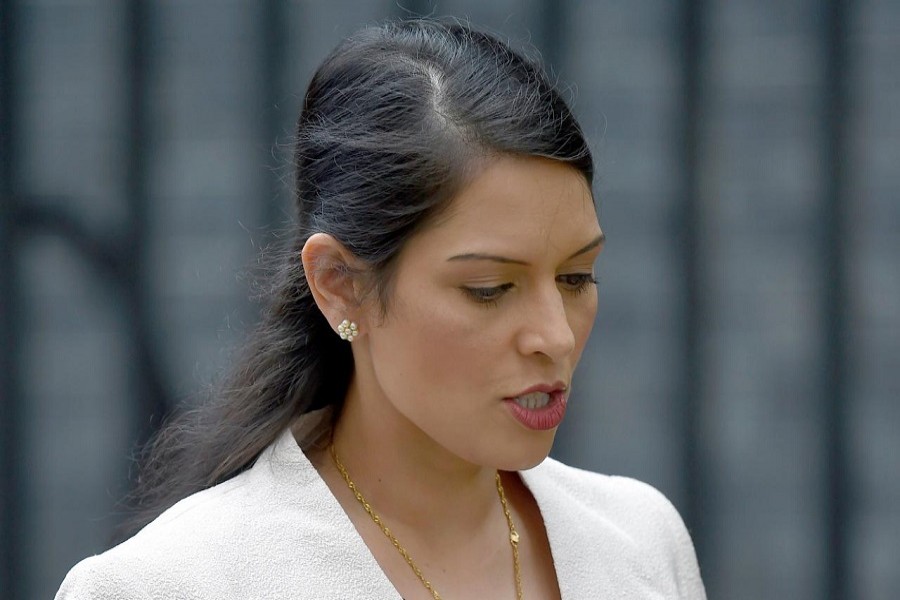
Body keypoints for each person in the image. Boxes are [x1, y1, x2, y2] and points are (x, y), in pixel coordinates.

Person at [56, 18, 706, 599]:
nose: (555, 337)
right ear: (341, 285)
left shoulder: (640, 544)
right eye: (489, 288)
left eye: (576, 276)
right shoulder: (166, 584)